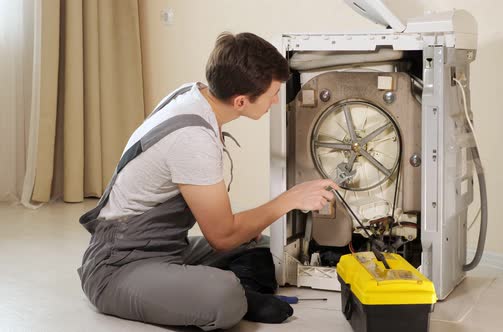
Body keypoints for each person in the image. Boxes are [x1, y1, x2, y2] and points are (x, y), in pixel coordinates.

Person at [76, 32, 339, 330]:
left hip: (166, 248)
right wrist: (289, 200)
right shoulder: (193, 139)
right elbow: (222, 236)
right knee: (223, 296)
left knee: (265, 249)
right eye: (272, 94)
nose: (276, 100)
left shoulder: (194, 95)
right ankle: (233, 295)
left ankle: (222, 291)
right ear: (241, 101)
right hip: (118, 266)